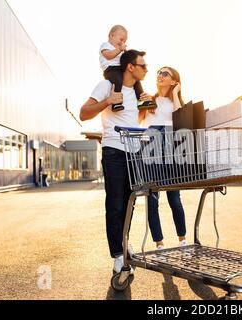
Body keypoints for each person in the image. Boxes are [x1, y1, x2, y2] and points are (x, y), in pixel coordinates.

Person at [80, 49, 152, 274]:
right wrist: (108, 101)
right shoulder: (108, 85)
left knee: (129, 203)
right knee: (115, 204)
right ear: (130, 67)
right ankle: (118, 256)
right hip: (113, 151)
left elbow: (134, 120)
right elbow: (83, 113)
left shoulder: (137, 92)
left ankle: (123, 243)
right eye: (143, 65)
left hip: (134, 152)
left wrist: (145, 107)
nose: (146, 69)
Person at [139, 67, 187, 250]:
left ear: (174, 81)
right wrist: (142, 103)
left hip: (171, 150)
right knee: (152, 199)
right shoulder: (149, 99)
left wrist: (175, 93)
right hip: (150, 149)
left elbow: (180, 119)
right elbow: (137, 120)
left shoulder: (176, 102)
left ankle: (182, 240)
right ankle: (159, 243)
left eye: (165, 73)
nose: (160, 75)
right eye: (159, 72)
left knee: (174, 198)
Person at [99, 25, 149, 111]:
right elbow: (108, 56)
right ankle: (116, 103)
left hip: (120, 68)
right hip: (110, 69)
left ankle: (141, 100)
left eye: (124, 41)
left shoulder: (119, 48)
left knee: (136, 80)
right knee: (118, 80)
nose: (122, 43)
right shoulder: (106, 45)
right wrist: (119, 50)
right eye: (121, 39)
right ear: (111, 35)